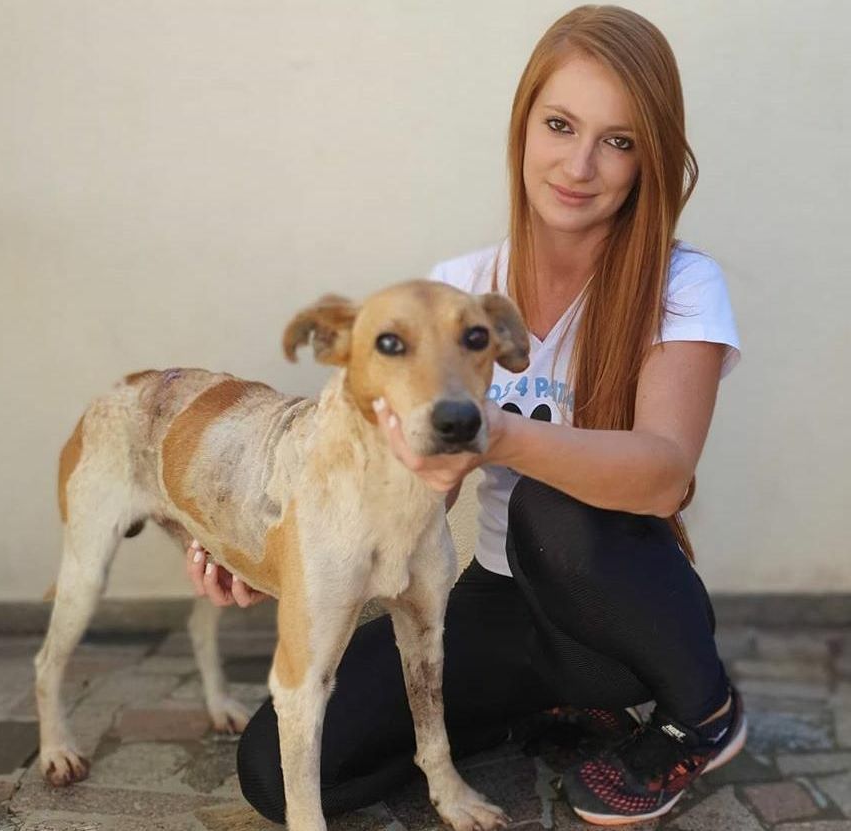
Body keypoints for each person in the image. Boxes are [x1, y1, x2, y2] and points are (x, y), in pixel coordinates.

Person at [186, 5, 745, 825]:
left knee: (549, 508)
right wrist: (272, 550)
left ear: (648, 159)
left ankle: (702, 713)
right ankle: (539, 710)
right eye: (560, 125)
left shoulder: (682, 283)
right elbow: (419, 488)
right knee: (273, 768)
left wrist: (504, 434)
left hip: (612, 616)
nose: (579, 164)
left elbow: (665, 475)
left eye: (618, 141)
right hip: (497, 599)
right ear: (523, 127)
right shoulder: (457, 290)